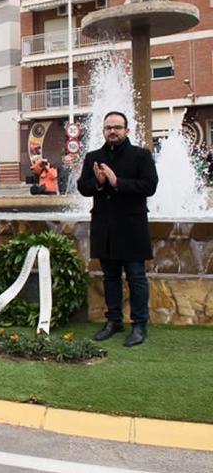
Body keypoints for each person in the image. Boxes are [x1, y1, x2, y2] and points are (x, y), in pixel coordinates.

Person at [77, 111, 158, 347]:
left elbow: (150, 186)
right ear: (103, 131)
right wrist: (99, 183)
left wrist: (116, 182)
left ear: (127, 130)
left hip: (132, 227)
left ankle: (139, 325)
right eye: (108, 127)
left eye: (117, 127)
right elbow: (83, 187)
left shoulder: (140, 156)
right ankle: (113, 321)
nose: (112, 131)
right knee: (110, 277)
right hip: (105, 226)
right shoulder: (94, 156)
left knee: (136, 277)